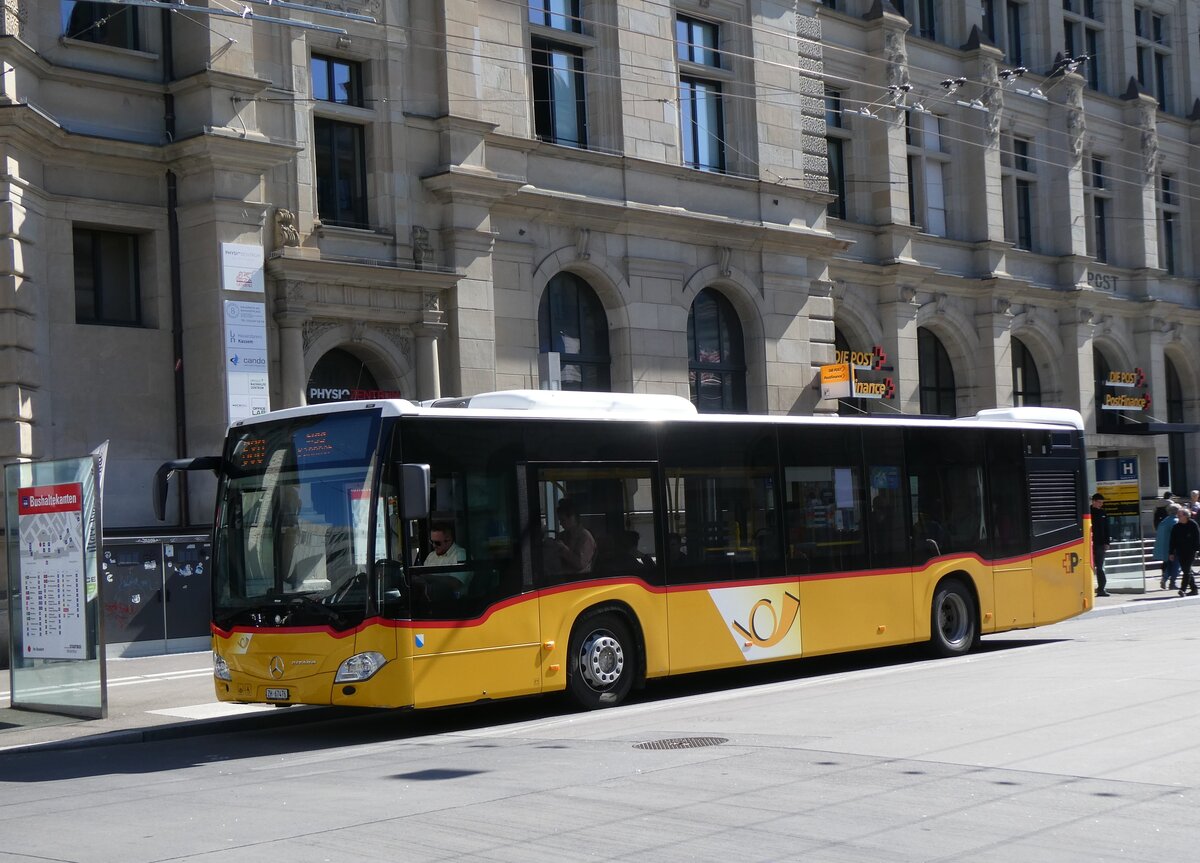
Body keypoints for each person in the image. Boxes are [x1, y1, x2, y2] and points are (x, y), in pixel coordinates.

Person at [553, 498, 596, 573]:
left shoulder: (586, 538)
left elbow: (580, 563)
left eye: (563, 520)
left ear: (572, 518)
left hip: (579, 580)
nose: (560, 523)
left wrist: (564, 549)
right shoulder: (563, 536)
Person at [1169, 507, 1200, 597]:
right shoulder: (1176, 527)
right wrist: (1171, 552)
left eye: (1180, 515)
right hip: (1180, 551)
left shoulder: (1193, 525)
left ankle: (1183, 589)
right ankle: (1194, 589)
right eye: (1178, 515)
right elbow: (1172, 541)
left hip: (1191, 551)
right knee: (1187, 570)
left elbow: (1197, 538)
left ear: (1186, 516)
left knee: (1186, 570)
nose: (1178, 517)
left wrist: (1197, 549)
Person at [1154, 503, 1180, 591]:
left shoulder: (1164, 521)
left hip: (1165, 548)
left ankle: (1165, 579)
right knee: (1177, 566)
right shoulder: (1176, 521)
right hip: (1174, 548)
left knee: (1170, 565)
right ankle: (1172, 582)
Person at [1090, 493, 1111, 597]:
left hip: (1100, 544)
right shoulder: (1088, 512)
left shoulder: (1103, 512)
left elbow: (1107, 528)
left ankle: (1101, 588)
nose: (1101, 505)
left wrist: (1107, 542)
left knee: (1100, 566)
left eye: (1102, 503)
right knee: (1089, 566)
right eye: (1099, 502)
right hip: (1090, 543)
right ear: (1093, 501)